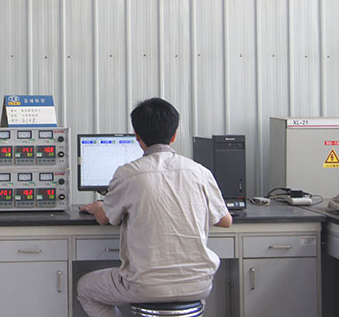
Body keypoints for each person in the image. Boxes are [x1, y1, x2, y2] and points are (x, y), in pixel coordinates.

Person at [77, 98, 232, 317]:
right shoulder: (200, 172)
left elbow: (104, 218)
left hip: (145, 286)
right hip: (198, 285)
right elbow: (225, 221)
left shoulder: (128, 174)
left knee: (85, 288)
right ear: (174, 135)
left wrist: (97, 207)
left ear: (137, 136)